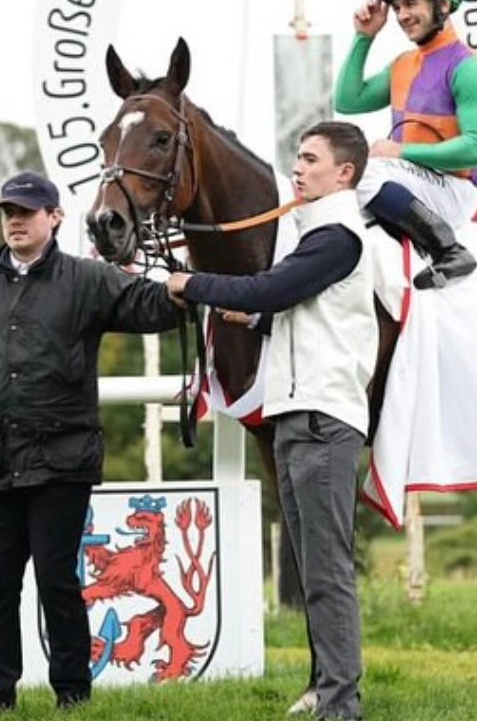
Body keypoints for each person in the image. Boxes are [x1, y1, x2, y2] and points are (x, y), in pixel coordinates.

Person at [0, 170, 181, 712]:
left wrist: (189, 287)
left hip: (63, 460)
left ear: (54, 217)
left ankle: (72, 694)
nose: (14, 221)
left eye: (25, 212)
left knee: (57, 582)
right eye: (7, 213)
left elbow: (153, 307)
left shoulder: (88, 279)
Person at [167, 121, 377, 721]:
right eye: (299, 156)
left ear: (345, 174)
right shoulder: (315, 232)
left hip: (320, 419)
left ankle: (340, 705)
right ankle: (333, 697)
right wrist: (250, 318)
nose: (299, 166)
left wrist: (192, 283)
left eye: (311, 159)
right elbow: (295, 309)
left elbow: (273, 288)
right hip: (296, 416)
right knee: (315, 569)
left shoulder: (336, 234)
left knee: (327, 571)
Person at [333, 0, 477, 289]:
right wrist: (364, 37)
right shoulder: (403, 64)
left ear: (443, 4)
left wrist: (400, 152)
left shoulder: (470, 68)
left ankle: (449, 251)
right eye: (396, 8)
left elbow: (476, 149)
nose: (402, 15)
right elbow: (347, 101)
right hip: (409, 183)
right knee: (330, 178)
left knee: (362, 169)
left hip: (453, 190)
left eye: (411, 3)